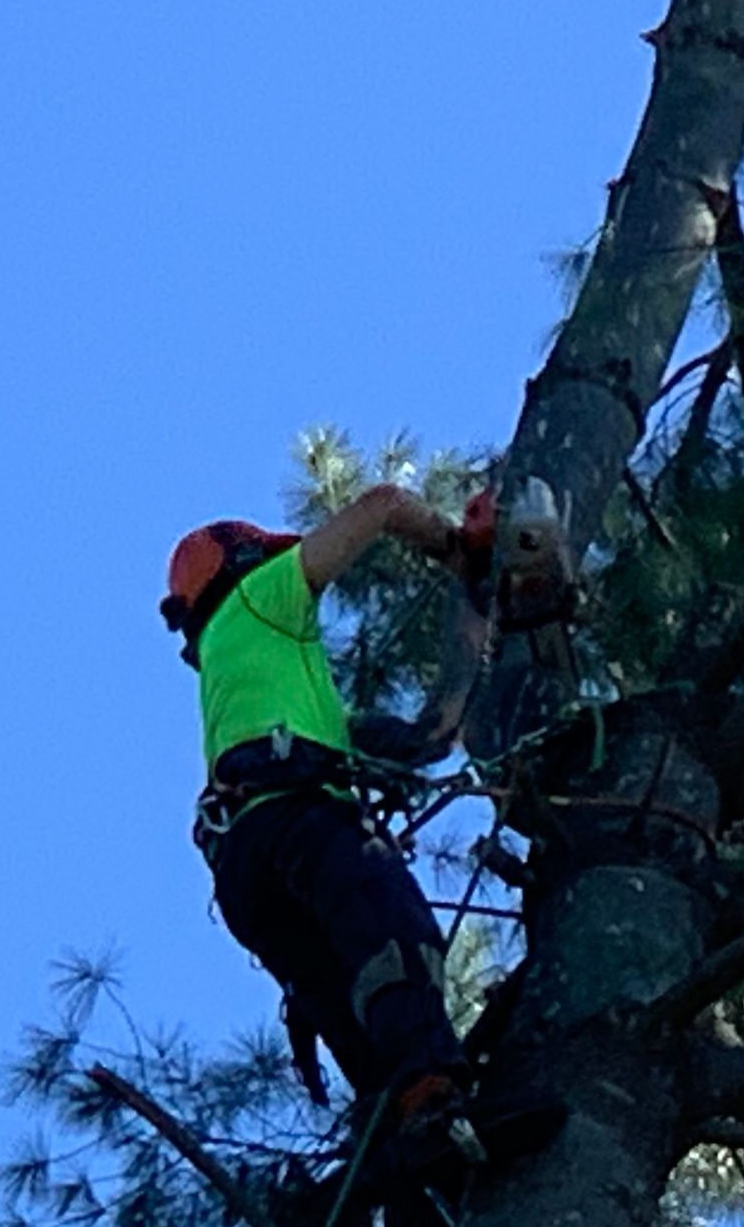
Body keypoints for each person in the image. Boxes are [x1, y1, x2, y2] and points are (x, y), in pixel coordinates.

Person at [159, 486, 495, 1161]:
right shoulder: (256, 597)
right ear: (245, 562)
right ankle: (431, 1089)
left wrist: (480, 606)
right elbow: (382, 506)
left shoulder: (256, 688)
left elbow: (434, 735)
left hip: (248, 871)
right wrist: (458, 551)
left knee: (353, 1021)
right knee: (391, 932)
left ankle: (417, 1204)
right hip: (295, 823)